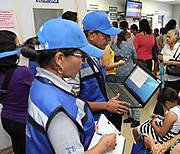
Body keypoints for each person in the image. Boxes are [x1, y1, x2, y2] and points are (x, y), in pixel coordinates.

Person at [26, 18, 117, 154]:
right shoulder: (58, 110)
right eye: (81, 56)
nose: (83, 62)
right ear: (60, 59)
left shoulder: (40, 83)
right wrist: (103, 146)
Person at [67, 11, 130, 131]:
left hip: (102, 117)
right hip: (90, 123)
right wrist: (106, 105)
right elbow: (72, 103)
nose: (109, 39)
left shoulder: (95, 56)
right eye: (105, 35)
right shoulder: (77, 62)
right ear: (91, 35)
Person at [0, 30, 34, 154]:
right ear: (9, 49)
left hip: (7, 120)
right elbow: (39, 91)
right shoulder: (23, 72)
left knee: (18, 149)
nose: (20, 49)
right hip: (23, 122)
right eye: (17, 46)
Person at [154, 29, 180, 115]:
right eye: (167, 37)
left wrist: (171, 62)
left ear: (176, 38)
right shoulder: (166, 46)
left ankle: (172, 116)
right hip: (165, 76)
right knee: (162, 96)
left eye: (169, 37)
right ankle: (159, 114)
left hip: (175, 78)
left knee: (171, 99)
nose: (167, 39)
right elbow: (162, 56)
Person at [112, 30, 139, 127]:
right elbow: (135, 57)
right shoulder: (130, 45)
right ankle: (136, 118)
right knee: (133, 94)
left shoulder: (114, 46)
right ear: (125, 36)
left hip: (119, 72)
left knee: (123, 95)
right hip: (129, 71)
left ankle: (129, 115)